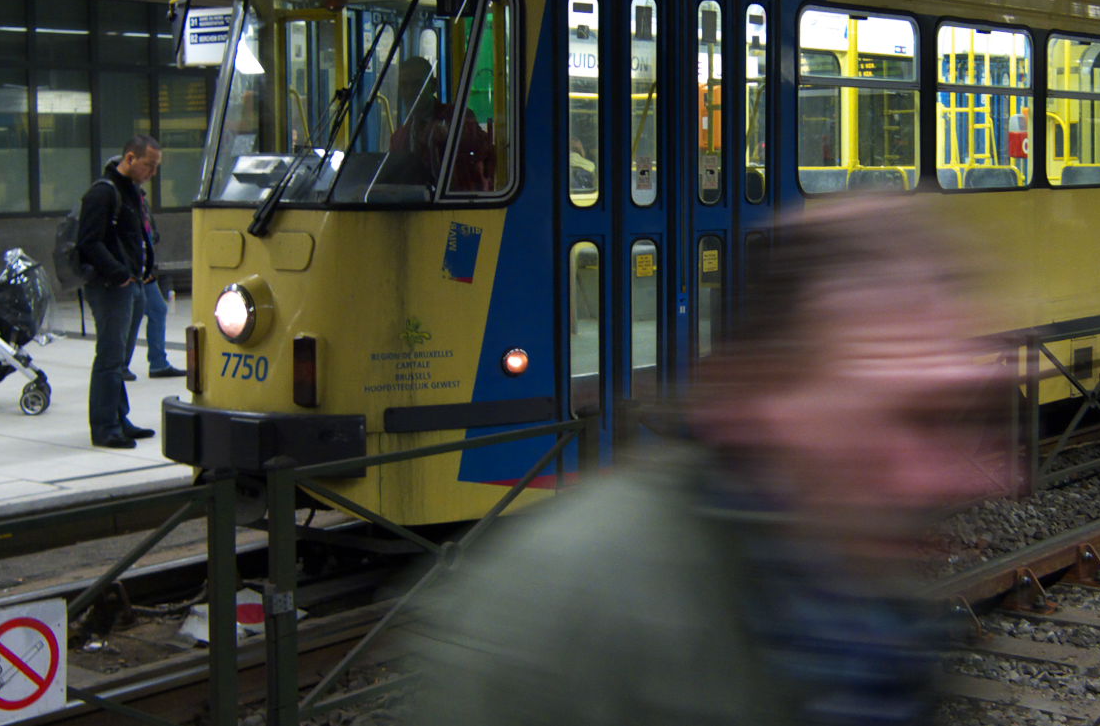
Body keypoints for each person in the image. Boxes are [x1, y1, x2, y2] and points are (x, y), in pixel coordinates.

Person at [409, 199, 1017, 726]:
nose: (967, 475)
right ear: (763, 403)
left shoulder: (870, 628)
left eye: (962, 417)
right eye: (912, 418)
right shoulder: (556, 614)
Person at [77, 135, 160, 448]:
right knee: (110, 358)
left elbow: (137, 236)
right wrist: (119, 272)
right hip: (111, 286)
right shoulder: (103, 193)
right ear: (130, 158)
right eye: (149, 166)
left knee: (120, 358)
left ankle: (119, 417)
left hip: (132, 282)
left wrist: (145, 269)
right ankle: (105, 426)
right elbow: (89, 241)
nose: (152, 173)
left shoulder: (131, 193)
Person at [389, 56, 495, 192]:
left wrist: (454, 136)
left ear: (433, 86)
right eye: (404, 85)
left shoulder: (459, 118)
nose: (410, 92)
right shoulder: (398, 138)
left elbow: (484, 151)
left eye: (417, 85)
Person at [124, 185, 184, 380]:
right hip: (130, 272)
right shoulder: (121, 200)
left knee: (157, 310)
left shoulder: (141, 201)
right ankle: (120, 365)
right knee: (130, 318)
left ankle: (158, 363)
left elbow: (149, 236)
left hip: (143, 270)